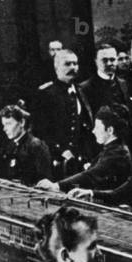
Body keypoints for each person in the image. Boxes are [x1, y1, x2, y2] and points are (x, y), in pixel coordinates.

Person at [38, 105, 132, 193]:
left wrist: (57, 186)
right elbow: (86, 182)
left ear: (110, 130)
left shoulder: (117, 153)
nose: (93, 131)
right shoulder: (112, 149)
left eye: (97, 127)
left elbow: (90, 177)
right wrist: (67, 186)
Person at [33, 49, 95, 177]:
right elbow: (40, 130)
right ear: (56, 67)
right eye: (67, 64)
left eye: (75, 63)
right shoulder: (46, 94)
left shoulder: (81, 91)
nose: (73, 67)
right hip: (56, 158)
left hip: (80, 158)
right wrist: (61, 150)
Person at [0, 103, 53, 185]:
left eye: (8, 124)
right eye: (3, 125)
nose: (4, 129)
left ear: (22, 122)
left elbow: (45, 181)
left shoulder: (36, 146)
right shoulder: (10, 146)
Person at [80, 43, 129, 115]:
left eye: (112, 60)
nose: (109, 63)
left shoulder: (125, 84)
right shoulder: (84, 88)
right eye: (104, 60)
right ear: (96, 61)